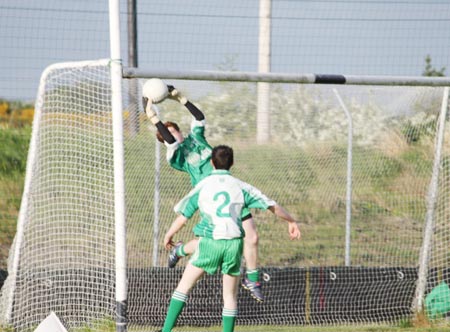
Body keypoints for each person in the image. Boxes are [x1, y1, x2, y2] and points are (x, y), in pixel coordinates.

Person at [143, 84, 267, 302]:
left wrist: (181, 98)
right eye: (166, 134)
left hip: (229, 191)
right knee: (213, 240)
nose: (172, 135)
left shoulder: (196, 139)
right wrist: (154, 119)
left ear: (180, 130)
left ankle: (252, 279)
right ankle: (180, 252)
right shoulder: (175, 156)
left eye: (174, 130)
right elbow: (169, 141)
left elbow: (199, 117)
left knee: (252, 236)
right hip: (209, 197)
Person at [160, 145, 301, 332]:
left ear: (211, 162)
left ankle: (166, 330)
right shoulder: (241, 186)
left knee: (183, 288)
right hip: (234, 244)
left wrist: (169, 234)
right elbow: (271, 205)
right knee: (230, 297)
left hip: (210, 242)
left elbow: (183, 217)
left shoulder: (203, 186)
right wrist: (291, 220)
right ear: (232, 163)